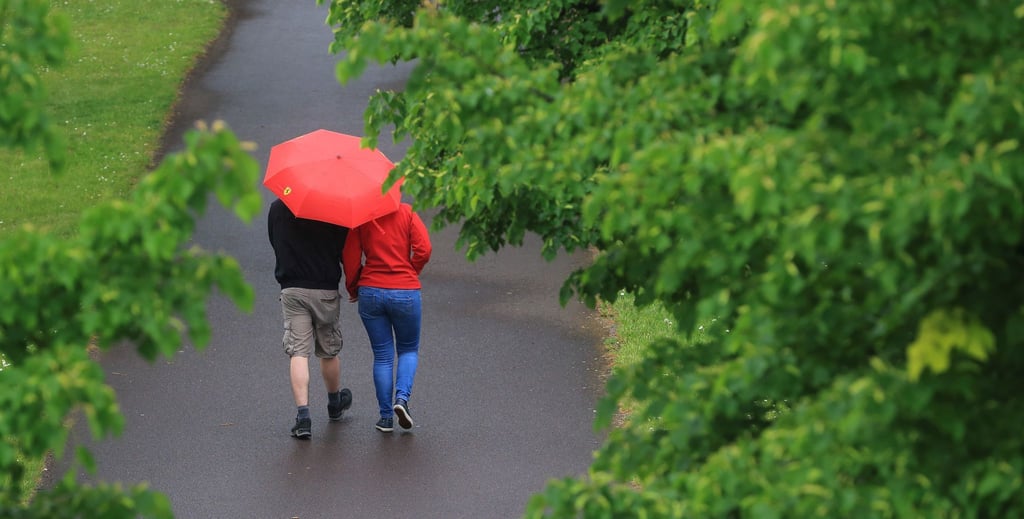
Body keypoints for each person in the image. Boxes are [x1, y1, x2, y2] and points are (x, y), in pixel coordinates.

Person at [268, 198, 353, 439]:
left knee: (298, 351)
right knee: (328, 349)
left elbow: (275, 241)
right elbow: (342, 247)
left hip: (292, 288)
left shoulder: (277, 208)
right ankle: (334, 402)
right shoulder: (334, 208)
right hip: (324, 287)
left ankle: (303, 417)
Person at [343, 202, 432, 432]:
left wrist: (354, 288)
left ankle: (385, 418)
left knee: (382, 355)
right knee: (408, 350)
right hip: (405, 292)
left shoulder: (361, 216)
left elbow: (351, 256)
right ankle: (401, 400)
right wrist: (411, 271)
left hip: (371, 291)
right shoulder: (407, 212)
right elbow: (424, 249)